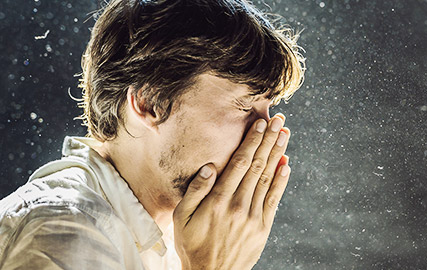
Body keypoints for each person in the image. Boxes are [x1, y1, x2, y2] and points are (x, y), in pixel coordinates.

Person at [0, 0, 305, 269]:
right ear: (150, 104)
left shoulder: (180, 242)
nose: (265, 133)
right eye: (244, 106)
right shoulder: (64, 233)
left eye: (269, 108)